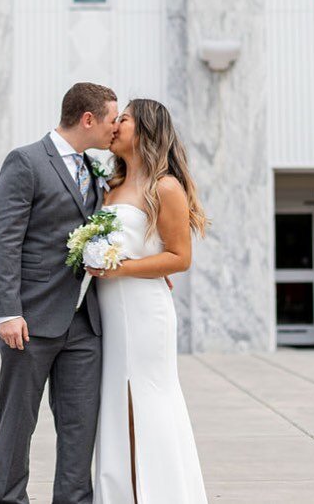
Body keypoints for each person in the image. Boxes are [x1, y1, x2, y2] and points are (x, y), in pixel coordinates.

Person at [0, 82, 119, 504]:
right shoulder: (26, 162)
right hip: (31, 320)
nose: (115, 129)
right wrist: (7, 311)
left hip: (85, 322)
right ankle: (7, 499)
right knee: (17, 423)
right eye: (111, 120)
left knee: (80, 426)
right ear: (88, 119)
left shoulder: (96, 170)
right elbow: (4, 240)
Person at [86, 98, 210, 503]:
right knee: (115, 404)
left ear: (146, 130)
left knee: (148, 399)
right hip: (108, 313)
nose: (114, 125)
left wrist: (120, 268)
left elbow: (180, 257)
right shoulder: (108, 185)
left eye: (123, 119)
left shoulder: (165, 186)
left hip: (144, 312)